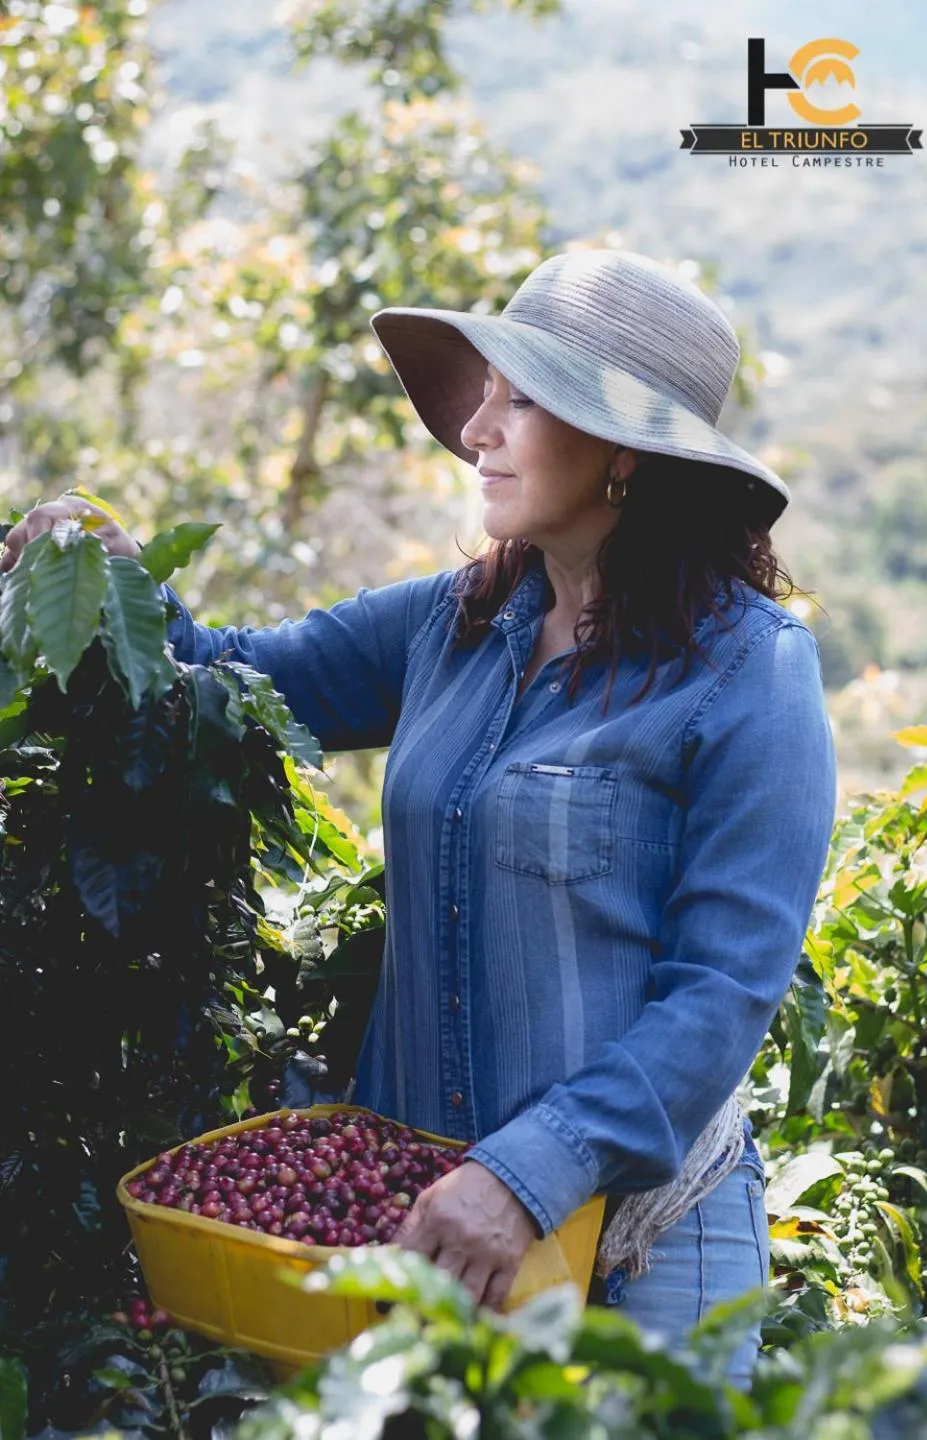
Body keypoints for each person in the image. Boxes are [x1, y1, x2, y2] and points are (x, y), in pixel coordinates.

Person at [0, 248, 837, 1388]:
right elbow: (230, 683)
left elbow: (720, 998)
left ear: (626, 454)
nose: (478, 429)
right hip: (428, 1235)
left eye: (523, 398)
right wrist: (110, 574)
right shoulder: (452, 622)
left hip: (640, 1262)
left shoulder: (751, 673)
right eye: (486, 390)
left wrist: (528, 1173)